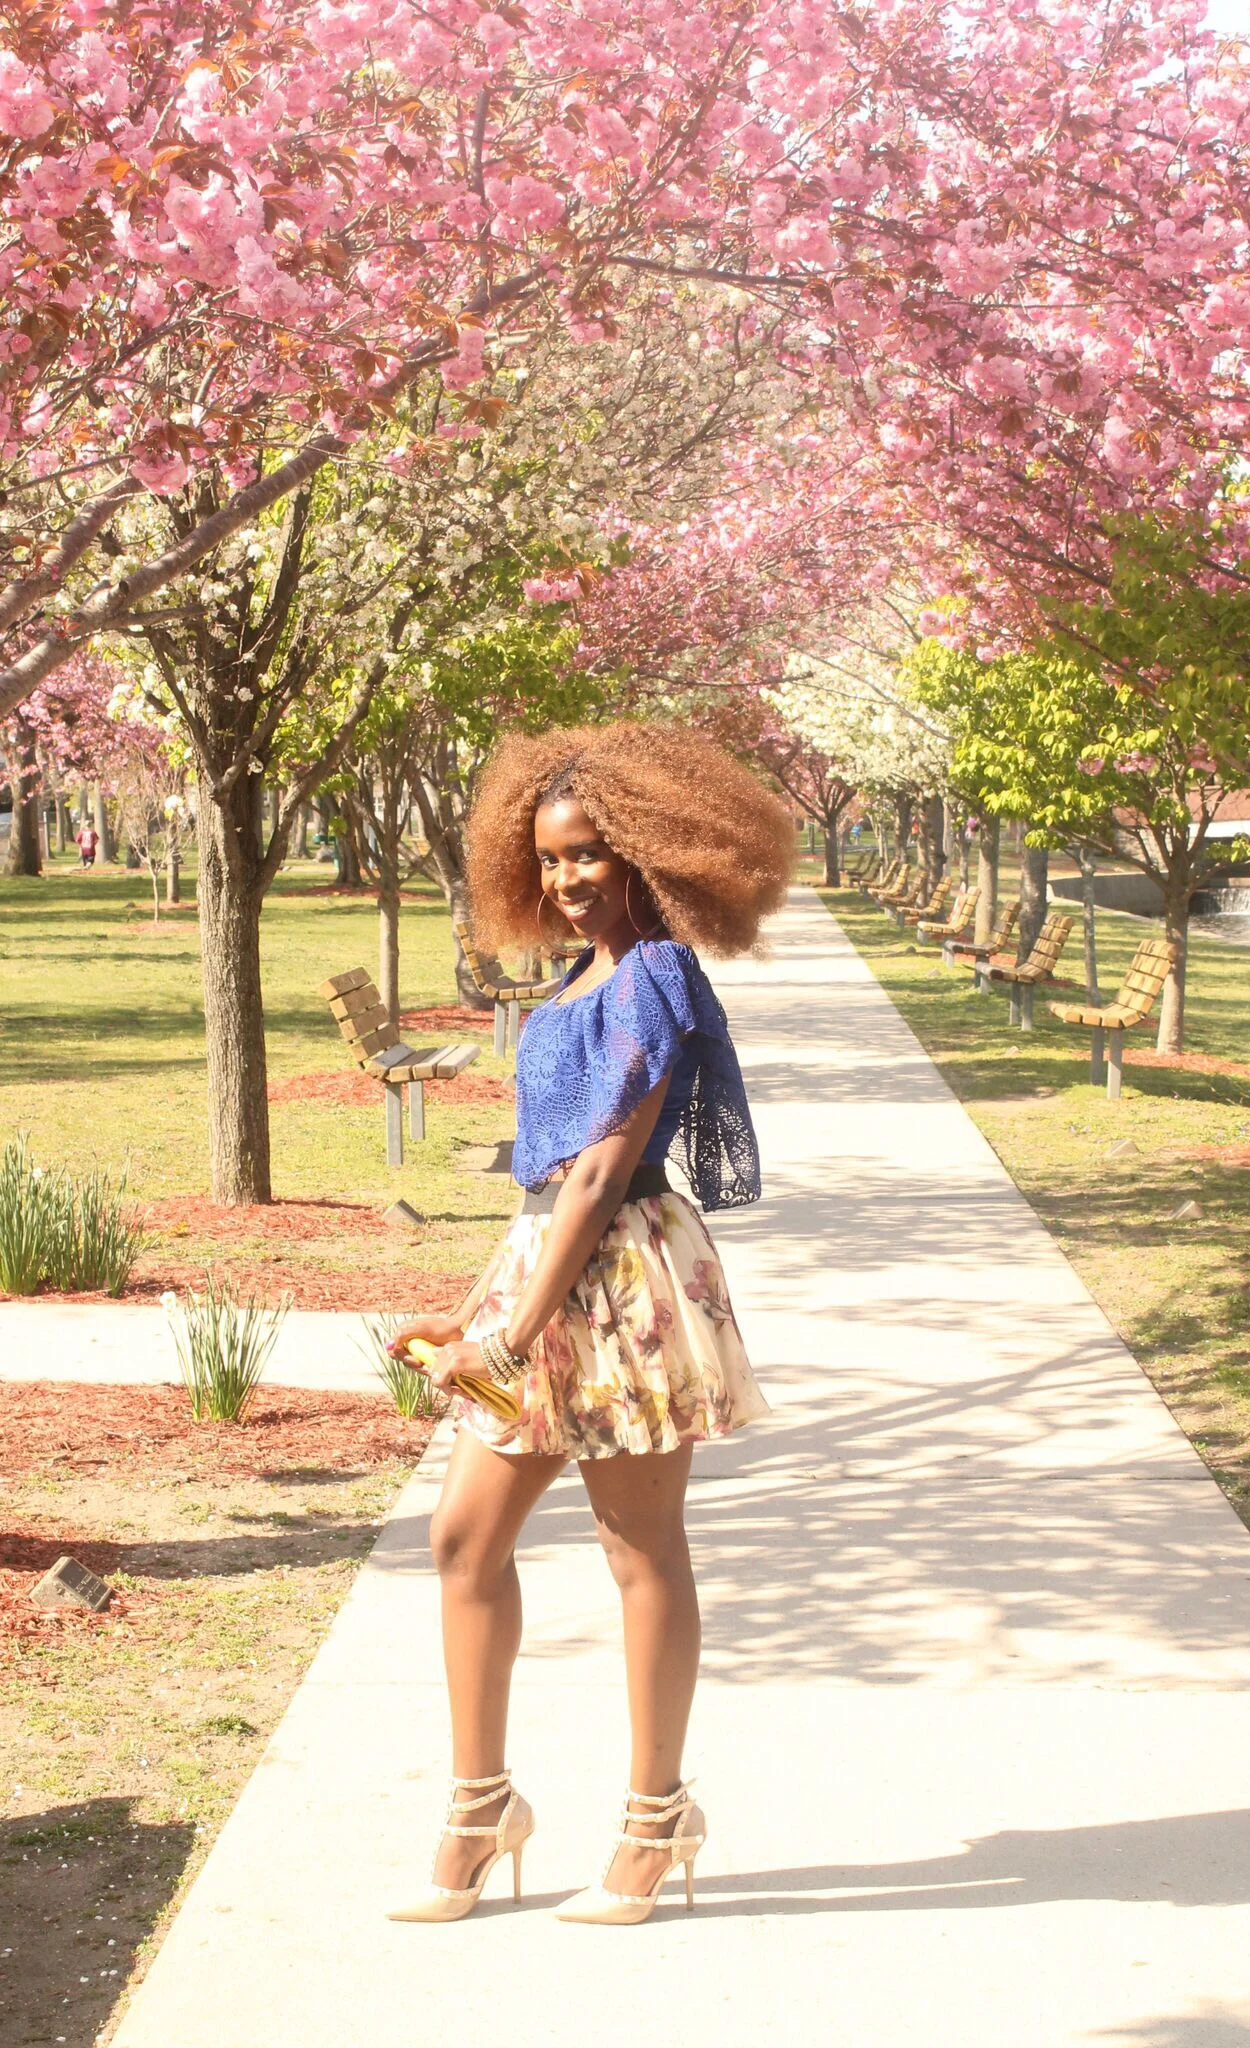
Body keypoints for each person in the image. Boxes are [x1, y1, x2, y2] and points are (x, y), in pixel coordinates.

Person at [388, 720, 793, 1928]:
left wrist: (509, 1335)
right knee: (463, 1539)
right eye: (550, 857)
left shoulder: (656, 974)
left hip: (620, 1287)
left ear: (651, 856)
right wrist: (480, 1295)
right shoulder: (570, 979)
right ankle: (479, 1806)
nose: (567, 879)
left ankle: (656, 1818)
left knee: (636, 1547)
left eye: (590, 856)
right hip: (544, 1267)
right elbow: (543, 1173)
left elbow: (605, 1172)